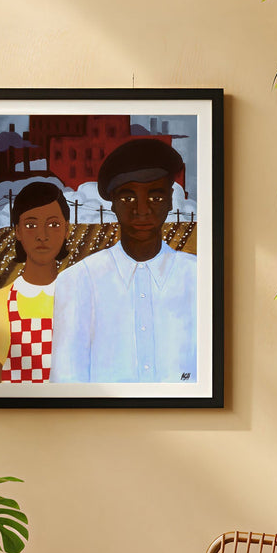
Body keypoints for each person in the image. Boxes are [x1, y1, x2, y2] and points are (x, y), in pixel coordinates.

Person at [50, 138, 196, 383]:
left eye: (156, 197)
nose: (142, 210)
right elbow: (67, 385)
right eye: (128, 198)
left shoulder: (199, 278)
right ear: (113, 204)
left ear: (171, 199)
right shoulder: (78, 282)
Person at [0, 181, 70, 383]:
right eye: (30, 225)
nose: (42, 235)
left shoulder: (85, 301)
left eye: (53, 224)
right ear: (17, 231)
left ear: (67, 229)